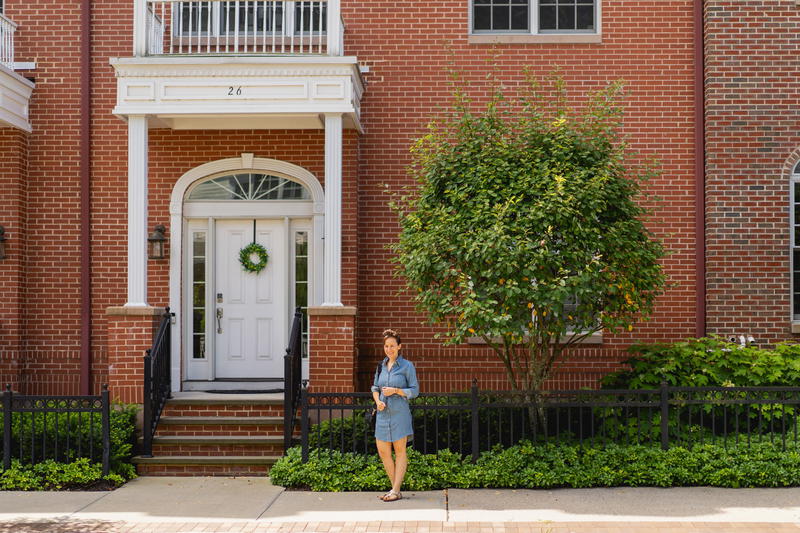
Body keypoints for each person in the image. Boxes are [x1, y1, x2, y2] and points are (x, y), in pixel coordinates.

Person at [371, 329, 419, 502]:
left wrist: (397, 391)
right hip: (383, 415)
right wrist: (378, 401)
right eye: (386, 346)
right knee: (383, 451)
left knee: (400, 452)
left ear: (399, 346)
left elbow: (415, 391)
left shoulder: (407, 366)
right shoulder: (380, 366)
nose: (389, 349)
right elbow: (375, 388)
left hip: (400, 414)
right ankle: (395, 489)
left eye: (392, 345)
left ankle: (395, 490)